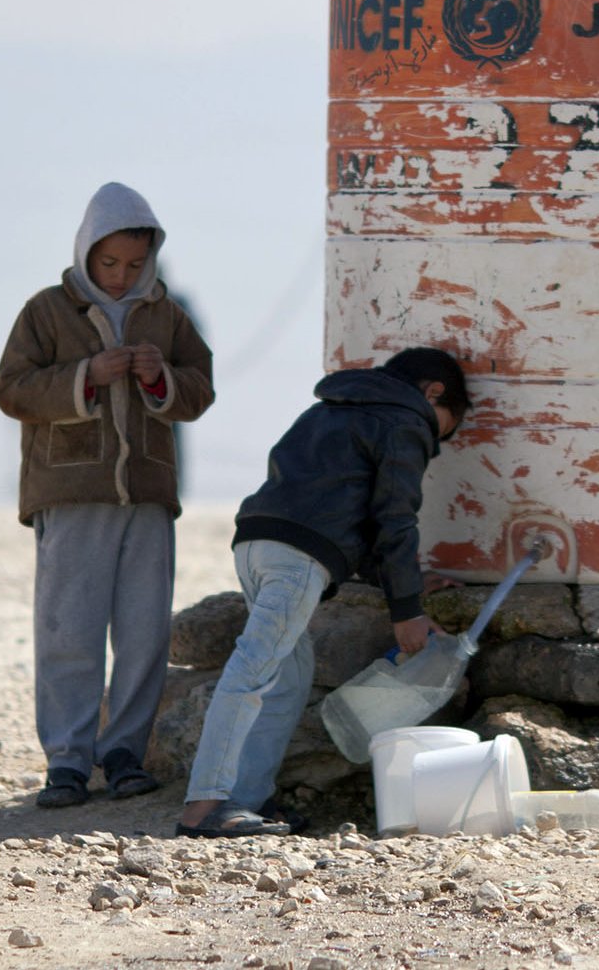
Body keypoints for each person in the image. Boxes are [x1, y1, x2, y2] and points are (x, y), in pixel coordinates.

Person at [175, 347, 470, 838]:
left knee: (290, 673)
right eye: (446, 428)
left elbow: (343, 509)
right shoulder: (405, 420)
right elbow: (394, 521)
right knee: (253, 671)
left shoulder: (328, 407)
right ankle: (203, 808)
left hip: (255, 542)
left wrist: (407, 586)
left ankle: (247, 799)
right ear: (433, 393)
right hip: (296, 558)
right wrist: (408, 612)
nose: (438, 441)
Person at [0, 182, 214, 809]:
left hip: (146, 496)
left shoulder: (168, 316)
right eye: (109, 263)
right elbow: (12, 390)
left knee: (145, 633)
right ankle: (67, 760)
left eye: (135, 265)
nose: (122, 277)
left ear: (152, 260)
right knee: (70, 630)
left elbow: (199, 391)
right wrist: (84, 377)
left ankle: (124, 754)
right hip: (70, 496)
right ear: (87, 253)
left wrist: (159, 378)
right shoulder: (45, 312)